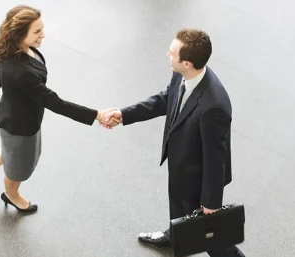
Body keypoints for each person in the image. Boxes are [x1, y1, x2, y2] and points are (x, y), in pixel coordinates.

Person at [101, 28, 244, 256]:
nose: (167, 55)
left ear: (187, 63)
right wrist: (124, 114)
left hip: (198, 180)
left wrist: (210, 202)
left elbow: (216, 159)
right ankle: (173, 235)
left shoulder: (214, 106)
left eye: (171, 53)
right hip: (181, 165)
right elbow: (165, 99)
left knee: (212, 238)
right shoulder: (183, 73)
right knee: (178, 208)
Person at [0, 5, 117, 213]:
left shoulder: (12, 51)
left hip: (20, 119)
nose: (42, 36)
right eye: (36, 32)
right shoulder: (21, 72)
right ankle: (11, 195)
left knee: (14, 153)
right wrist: (97, 115)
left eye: (41, 29)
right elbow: (55, 102)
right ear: (20, 34)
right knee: (18, 166)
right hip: (19, 126)